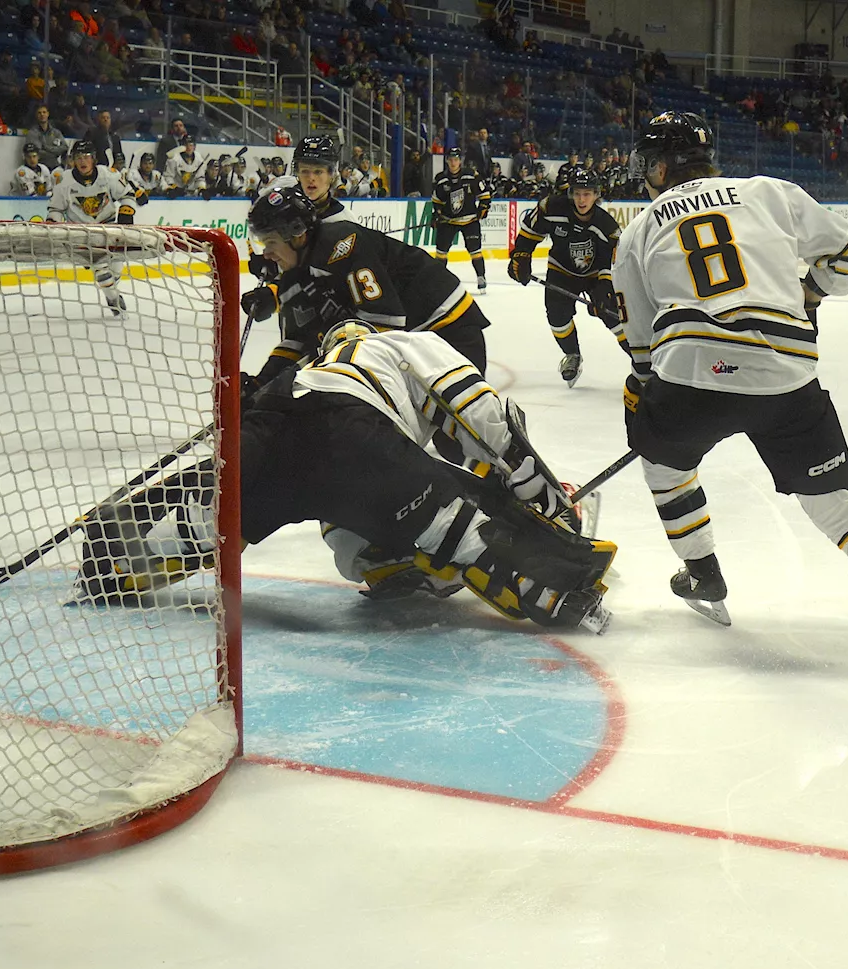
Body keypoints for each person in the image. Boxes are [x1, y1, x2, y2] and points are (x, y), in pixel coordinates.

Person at [613, 110, 848, 668]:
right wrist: (810, 292)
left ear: (658, 166)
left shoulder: (639, 228)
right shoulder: (769, 191)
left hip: (692, 370)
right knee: (840, 504)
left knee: (663, 463)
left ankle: (703, 574)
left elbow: (643, 351)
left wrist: (652, 410)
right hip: (785, 371)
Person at [70, 320, 616, 633]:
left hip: (273, 434)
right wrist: (541, 496)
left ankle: (110, 567)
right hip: (346, 431)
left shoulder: (308, 369)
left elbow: (338, 516)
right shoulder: (397, 343)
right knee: (459, 527)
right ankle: (563, 593)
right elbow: (480, 411)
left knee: (212, 525)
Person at [240, 181, 491, 399]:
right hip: (412, 344)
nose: (267, 253)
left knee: (454, 440)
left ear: (296, 236)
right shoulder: (293, 275)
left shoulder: (341, 246)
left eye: (270, 242)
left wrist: (323, 354)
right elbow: (296, 341)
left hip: (449, 329)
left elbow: (384, 328)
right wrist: (261, 384)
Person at [508, 165, 627, 387]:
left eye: (588, 194)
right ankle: (572, 355)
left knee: (614, 316)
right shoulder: (552, 208)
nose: (582, 200)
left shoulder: (606, 225)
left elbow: (614, 261)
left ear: (596, 195)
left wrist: (604, 288)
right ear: (571, 193)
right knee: (557, 316)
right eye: (578, 194)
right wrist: (521, 256)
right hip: (561, 269)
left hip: (594, 275)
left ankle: (642, 361)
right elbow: (529, 231)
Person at [46, 139, 136, 314]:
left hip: (110, 231)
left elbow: (127, 194)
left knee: (116, 269)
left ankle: (112, 293)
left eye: (86, 156)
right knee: (101, 272)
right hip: (82, 235)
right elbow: (56, 209)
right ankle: (113, 299)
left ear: (93, 159)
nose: (82, 161)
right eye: (78, 157)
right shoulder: (64, 181)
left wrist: (126, 210)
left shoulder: (108, 175)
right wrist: (53, 223)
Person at [430, 146, 491, 295]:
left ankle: (481, 277)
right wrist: (437, 213)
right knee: (441, 253)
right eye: (450, 159)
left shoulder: (471, 175)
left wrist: (484, 206)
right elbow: (437, 201)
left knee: (475, 251)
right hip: (448, 221)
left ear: (460, 161)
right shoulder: (441, 179)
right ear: (447, 161)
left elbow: (485, 193)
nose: (453, 162)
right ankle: (438, 279)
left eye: (456, 159)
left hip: (469, 220)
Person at [27, 105, 68, 170]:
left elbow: (65, 148)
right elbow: (37, 152)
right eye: (39, 113)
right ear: (36, 115)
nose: (42, 114)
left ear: (48, 114)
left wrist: (46, 147)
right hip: (39, 168)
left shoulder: (56, 132)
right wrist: (55, 153)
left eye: (44, 112)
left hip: (56, 167)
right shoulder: (32, 133)